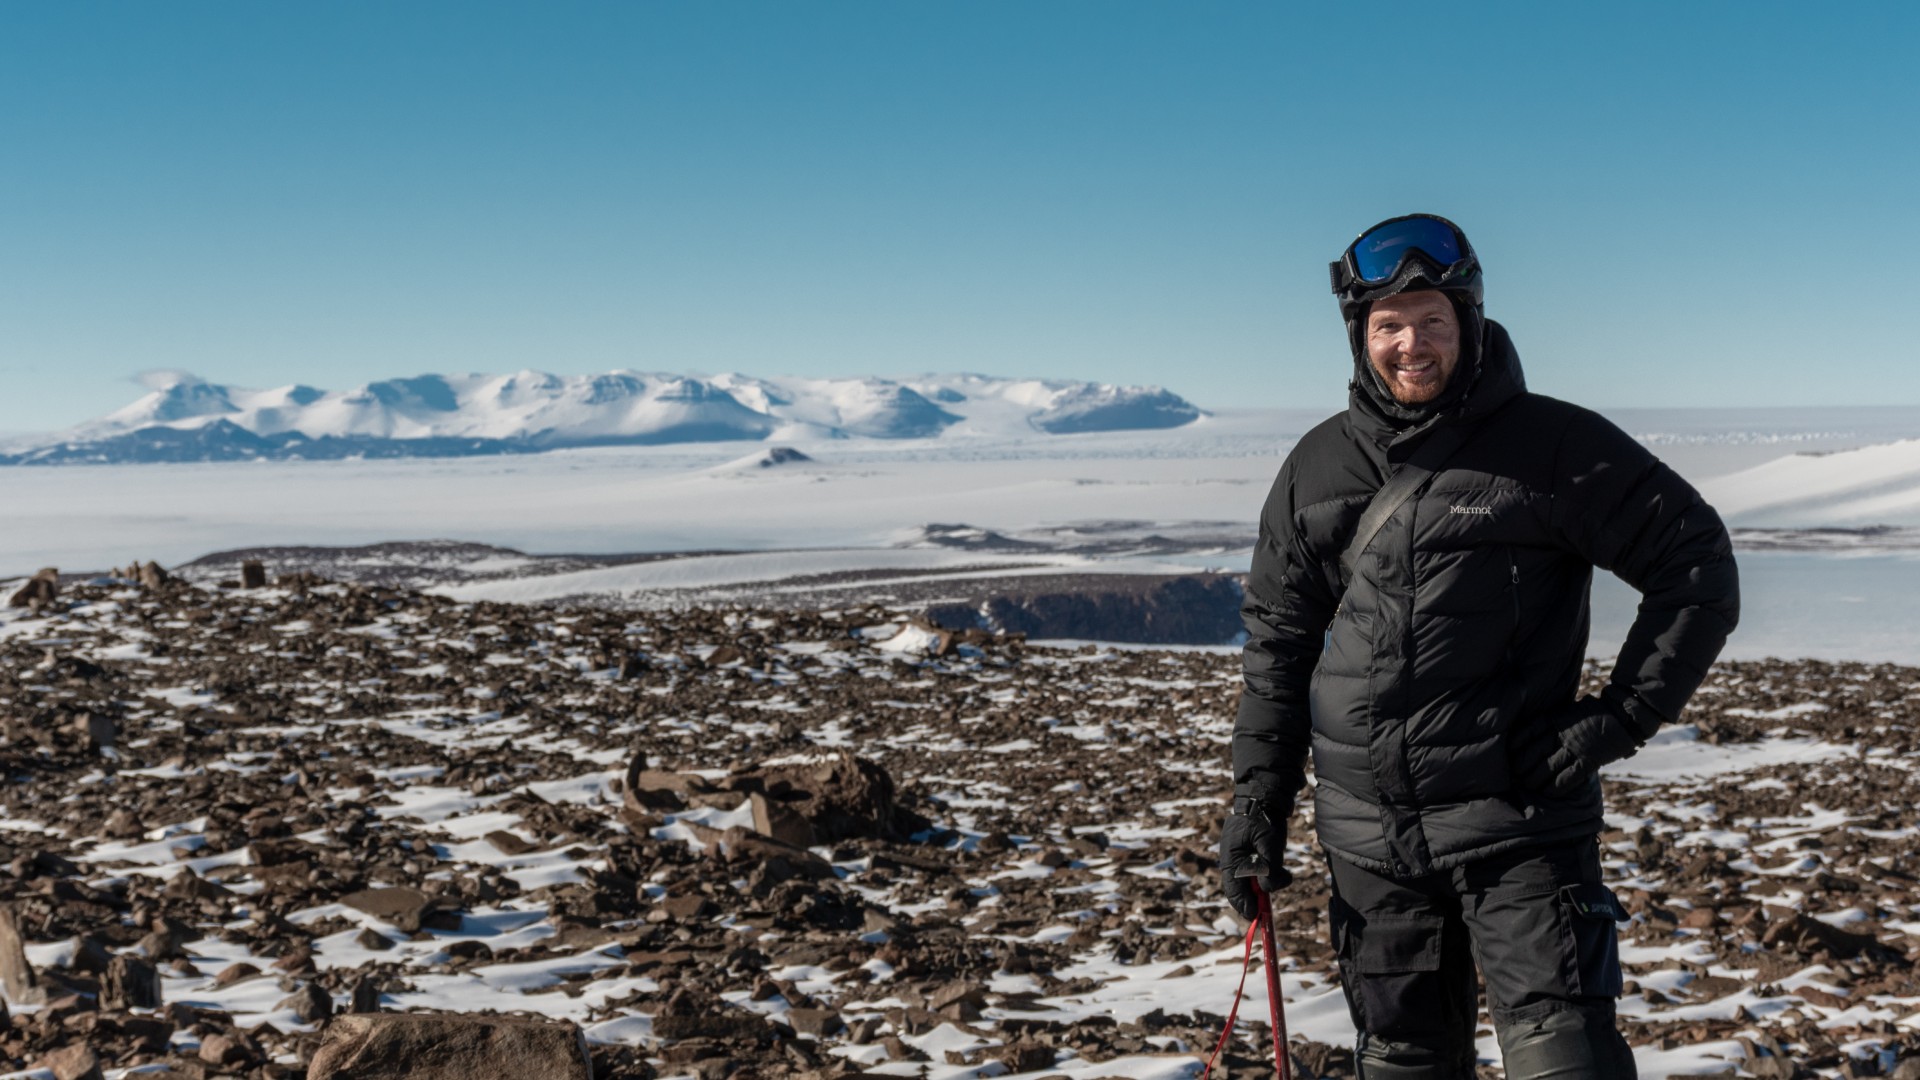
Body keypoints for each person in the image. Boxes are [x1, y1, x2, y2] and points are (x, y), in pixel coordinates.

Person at [1216, 213, 1739, 1079]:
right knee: (1403, 1063)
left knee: (1568, 1062)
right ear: (1360, 336)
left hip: (1520, 828)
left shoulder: (1555, 448)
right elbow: (1279, 647)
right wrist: (1256, 807)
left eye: (1432, 321)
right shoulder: (1316, 467)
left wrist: (1611, 724)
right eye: (1389, 325)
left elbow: (1697, 566)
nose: (1411, 345)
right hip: (1368, 842)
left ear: (1469, 320)